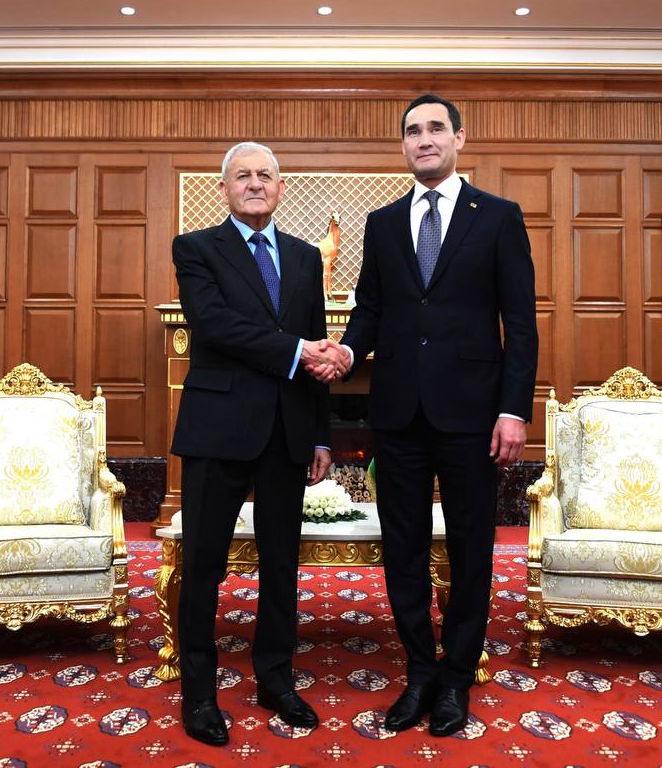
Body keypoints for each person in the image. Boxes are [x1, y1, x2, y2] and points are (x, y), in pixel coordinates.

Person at [319, 94, 538, 736]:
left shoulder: (498, 217)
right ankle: (419, 671)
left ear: (459, 139)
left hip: (473, 415)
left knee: (471, 549)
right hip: (398, 413)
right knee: (403, 549)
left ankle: (457, 678)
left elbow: (520, 323)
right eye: (413, 131)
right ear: (403, 146)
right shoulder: (383, 222)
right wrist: (348, 350)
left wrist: (513, 409)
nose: (425, 139)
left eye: (436, 128)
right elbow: (370, 308)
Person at [170, 141, 345, 746]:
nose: (254, 184)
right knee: (204, 565)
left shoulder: (304, 257)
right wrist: (295, 350)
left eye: (264, 175)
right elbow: (214, 324)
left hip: (288, 430)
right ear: (223, 188)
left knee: (280, 563)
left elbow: (316, 342)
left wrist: (320, 435)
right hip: (218, 429)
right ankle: (199, 693)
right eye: (241, 175)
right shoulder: (195, 248)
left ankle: (275, 679)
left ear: (280, 188)